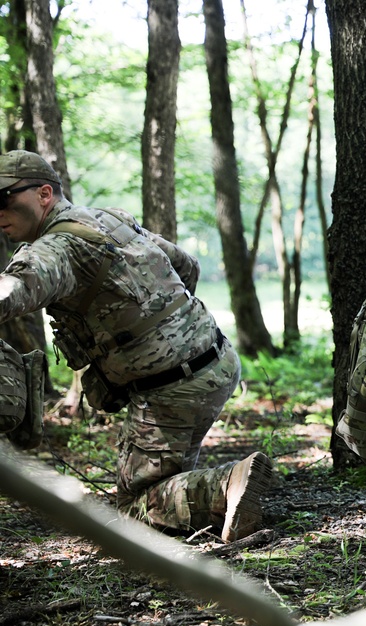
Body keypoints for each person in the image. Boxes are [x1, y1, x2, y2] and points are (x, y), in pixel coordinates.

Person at [0, 150, 272, 543]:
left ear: (44, 194)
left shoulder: (56, 248)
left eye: (5, 199)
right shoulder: (111, 219)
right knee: (167, 479)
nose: (0, 214)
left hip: (168, 391)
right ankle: (219, 497)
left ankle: (225, 485)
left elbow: (12, 292)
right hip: (217, 362)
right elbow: (187, 264)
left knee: (133, 509)